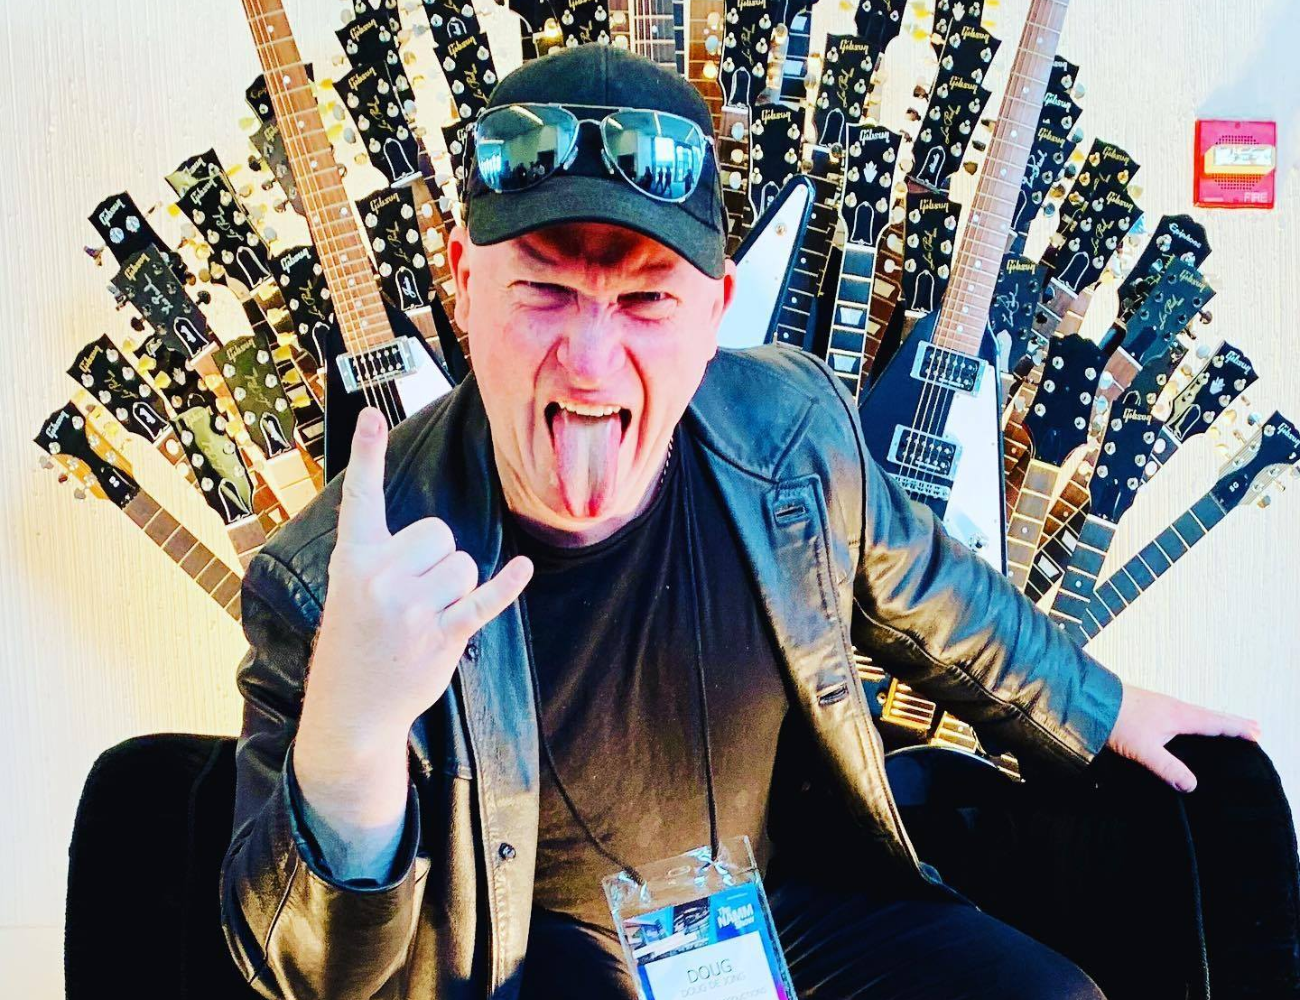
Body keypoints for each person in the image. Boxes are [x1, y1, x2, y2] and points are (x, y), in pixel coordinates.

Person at [219, 44, 1260, 1000]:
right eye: (542, 292)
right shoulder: (327, 579)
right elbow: (301, 972)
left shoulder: (791, 427)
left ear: (716, 308)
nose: (590, 362)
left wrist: (1103, 706)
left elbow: (929, 594)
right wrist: (350, 741)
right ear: (463, 285)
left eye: (645, 302)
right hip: (531, 960)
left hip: (773, 910)